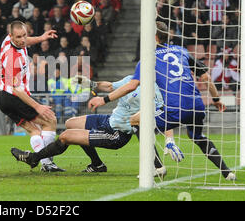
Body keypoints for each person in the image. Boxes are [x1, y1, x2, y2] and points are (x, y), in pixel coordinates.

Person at [88, 21, 236, 181]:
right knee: (198, 137)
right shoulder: (181, 51)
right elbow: (206, 77)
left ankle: (157, 167)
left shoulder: (148, 58)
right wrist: (215, 99)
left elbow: (131, 86)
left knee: (136, 121)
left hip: (175, 108)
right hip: (196, 105)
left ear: (153, 37)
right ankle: (227, 172)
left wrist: (103, 100)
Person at [11, 74, 168, 177]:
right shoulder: (132, 79)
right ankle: (97, 164)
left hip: (118, 133)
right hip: (109, 119)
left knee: (66, 136)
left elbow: (156, 114)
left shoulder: (155, 91)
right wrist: (90, 83)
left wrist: (169, 139)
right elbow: (109, 87)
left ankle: (34, 158)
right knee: (70, 123)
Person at [0, 21, 64, 172]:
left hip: (3, 98)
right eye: (18, 37)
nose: (22, 40)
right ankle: (47, 164)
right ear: (11, 36)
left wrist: (41, 38)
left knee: (34, 130)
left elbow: (27, 41)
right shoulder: (12, 58)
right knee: (50, 120)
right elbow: (16, 89)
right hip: (13, 96)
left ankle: (43, 162)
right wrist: (37, 106)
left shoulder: (8, 41)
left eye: (24, 35)